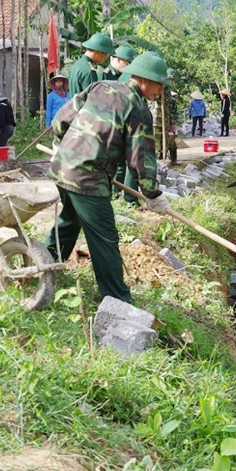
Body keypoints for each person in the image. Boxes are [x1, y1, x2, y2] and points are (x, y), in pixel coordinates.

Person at [45, 52, 171, 303]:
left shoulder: (102, 86)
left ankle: (43, 270)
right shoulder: (138, 109)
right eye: (159, 84)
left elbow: (62, 119)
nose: (161, 90)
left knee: (69, 222)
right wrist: (152, 193)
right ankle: (118, 300)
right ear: (144, 80)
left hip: (63, 167)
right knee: (105, 239)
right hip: (87, 179)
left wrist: (63, 146)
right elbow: (140, 159)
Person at [68, 32, 114, 96]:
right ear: (98, 52)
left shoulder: (76, 65)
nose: (105, 58)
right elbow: (92, 98)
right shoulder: (89, 71)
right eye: (106, 54)